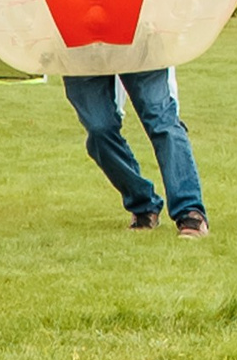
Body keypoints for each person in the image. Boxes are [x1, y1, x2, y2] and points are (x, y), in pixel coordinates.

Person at [63, 68, 207, 236]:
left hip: (139, 53)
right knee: (99, 132)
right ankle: (143, 205)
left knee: (162, 122)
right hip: (83, 56)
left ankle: (189, 211)